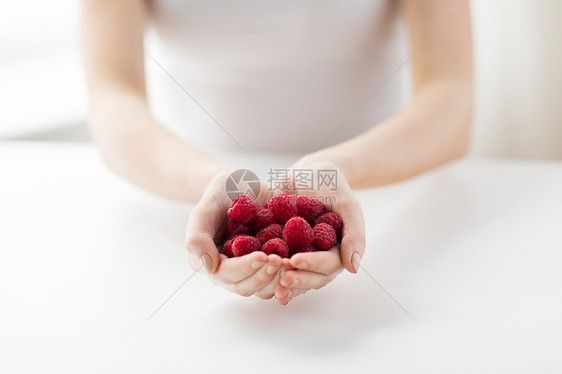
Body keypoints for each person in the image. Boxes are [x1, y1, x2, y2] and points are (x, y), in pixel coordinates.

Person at [81, 0, 473, 305]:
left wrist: (336, 169)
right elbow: (113, 100)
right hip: (177, 185)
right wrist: (213, 182)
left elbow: (451, 97)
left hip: (388, 189)